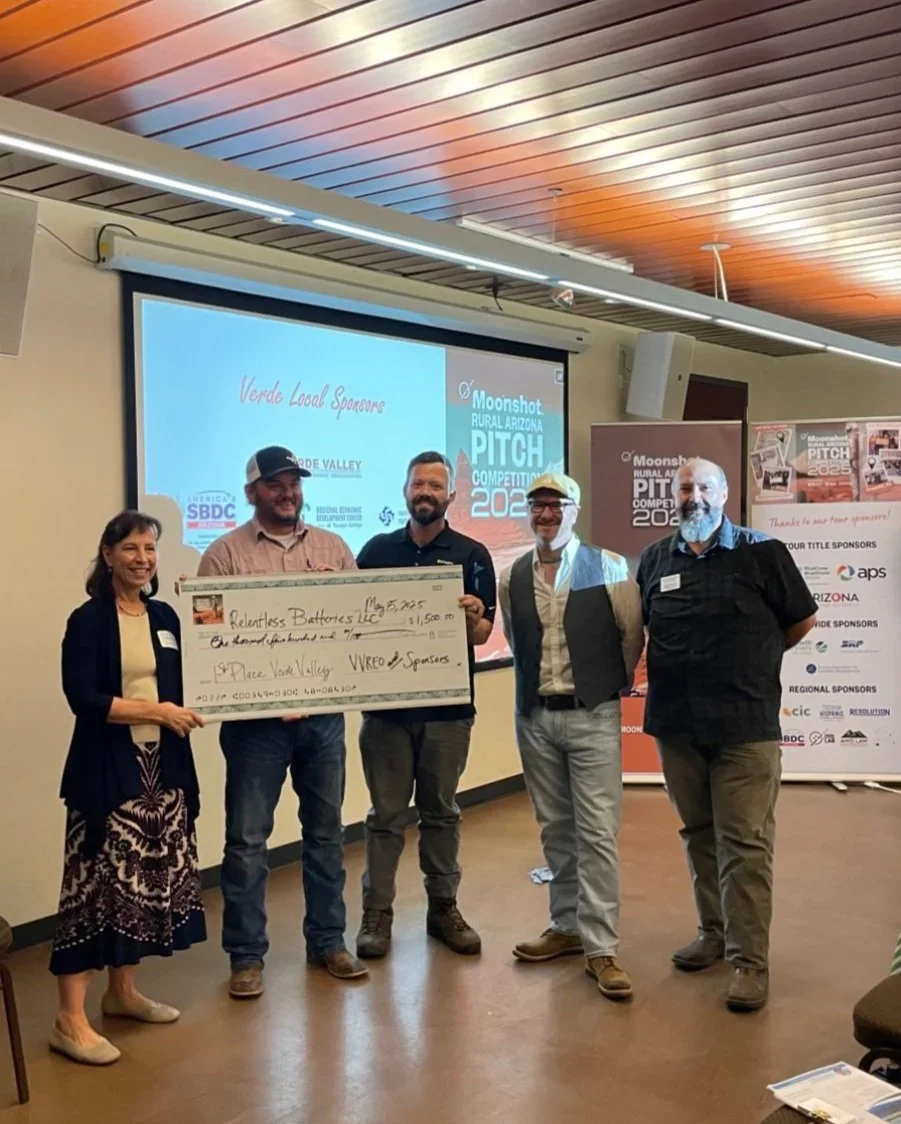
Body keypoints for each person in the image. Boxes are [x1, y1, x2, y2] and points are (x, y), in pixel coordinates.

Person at [637, 458, 816, 1012]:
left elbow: (800, 622)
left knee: (745, 843)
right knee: (698, 833)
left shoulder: (763, 554)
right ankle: (713, 934)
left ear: (724, 494)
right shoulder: (654, 559)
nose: (694, 496)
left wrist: (750, 664)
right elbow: (641, 627)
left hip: (744, 727)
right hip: (677, 725)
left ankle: (748, 962)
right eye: (685, 487)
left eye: (704, 487)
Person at [197, 445, 366, 996]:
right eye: (275, 484)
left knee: (326, 833)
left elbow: (357, 625)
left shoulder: (334, 548)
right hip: (256, 728)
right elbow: (211, 643)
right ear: (252, 492)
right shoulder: (222, 556)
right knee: (247, 842)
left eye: (293, 482)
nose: (287, 492)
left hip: (323, 722)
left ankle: (328, 943)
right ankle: (246, 957)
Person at [50, 511, 205, 1065]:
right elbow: (83, 698)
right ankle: (69, 1020)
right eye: (132, 548)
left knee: (142, 886)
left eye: (151, 549)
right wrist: (156, 711)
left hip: (162, 771)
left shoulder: (164, 615)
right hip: (106, 772)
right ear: (108, 555)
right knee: (94, 888)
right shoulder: (88, 620)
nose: (143, 558)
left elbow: (187, 683)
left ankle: (122, 994)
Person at [499, 473, 643, 1001]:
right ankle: (565, 927)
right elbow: (518, 640)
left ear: (575, 509)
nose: (546, 514)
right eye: (537, 505)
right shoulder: (511, 574)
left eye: (556, 505)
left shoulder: (607, 566)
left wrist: (605, 687)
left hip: (593, 715)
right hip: (535, 717)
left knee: (597, 832)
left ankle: (601, 947)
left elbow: (631, 636)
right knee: (555, 826)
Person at [354, 451, 496, 958]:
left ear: (450, 496)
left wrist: (471, 615)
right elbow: (350, 624)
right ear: (405, 490)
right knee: (385, 816)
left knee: (441, 813)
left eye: (436, 485)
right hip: (386, 714)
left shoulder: (473, 555)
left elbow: (482, 635)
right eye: (419, 484)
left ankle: (443, 909)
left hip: (448, 712)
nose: (426, 493)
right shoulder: (374, 551)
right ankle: (378, 914)